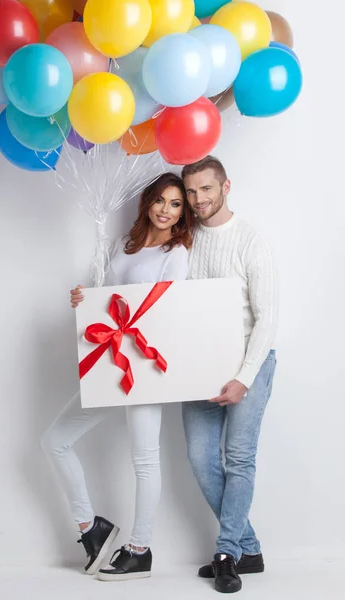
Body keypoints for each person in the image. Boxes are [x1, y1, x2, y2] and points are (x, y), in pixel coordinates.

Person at [41, 173, 193, 582]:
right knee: (55, 441)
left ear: (183, 212)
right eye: (160, 200)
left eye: (176, 204)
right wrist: (83, 298)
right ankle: (91, 528)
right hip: (110, 358)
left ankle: (139, 550)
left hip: (143, 363)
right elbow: (105, 299)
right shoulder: (122, 244)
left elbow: (165, 309)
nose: (165, 209)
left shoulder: (176, 253)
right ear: (147, 202)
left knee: (144, 459)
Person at [181, 157, 278, 594]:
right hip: (199, 364)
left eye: (206, 189)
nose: (198, 199)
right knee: (203, 461)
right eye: (191, 191)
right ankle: (249, 548)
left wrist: (244, 376)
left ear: (225, 187)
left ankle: (225, 554)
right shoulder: (183, 239)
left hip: (250, 363)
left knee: (239, 460)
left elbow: (268, 318)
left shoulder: (251, 240)